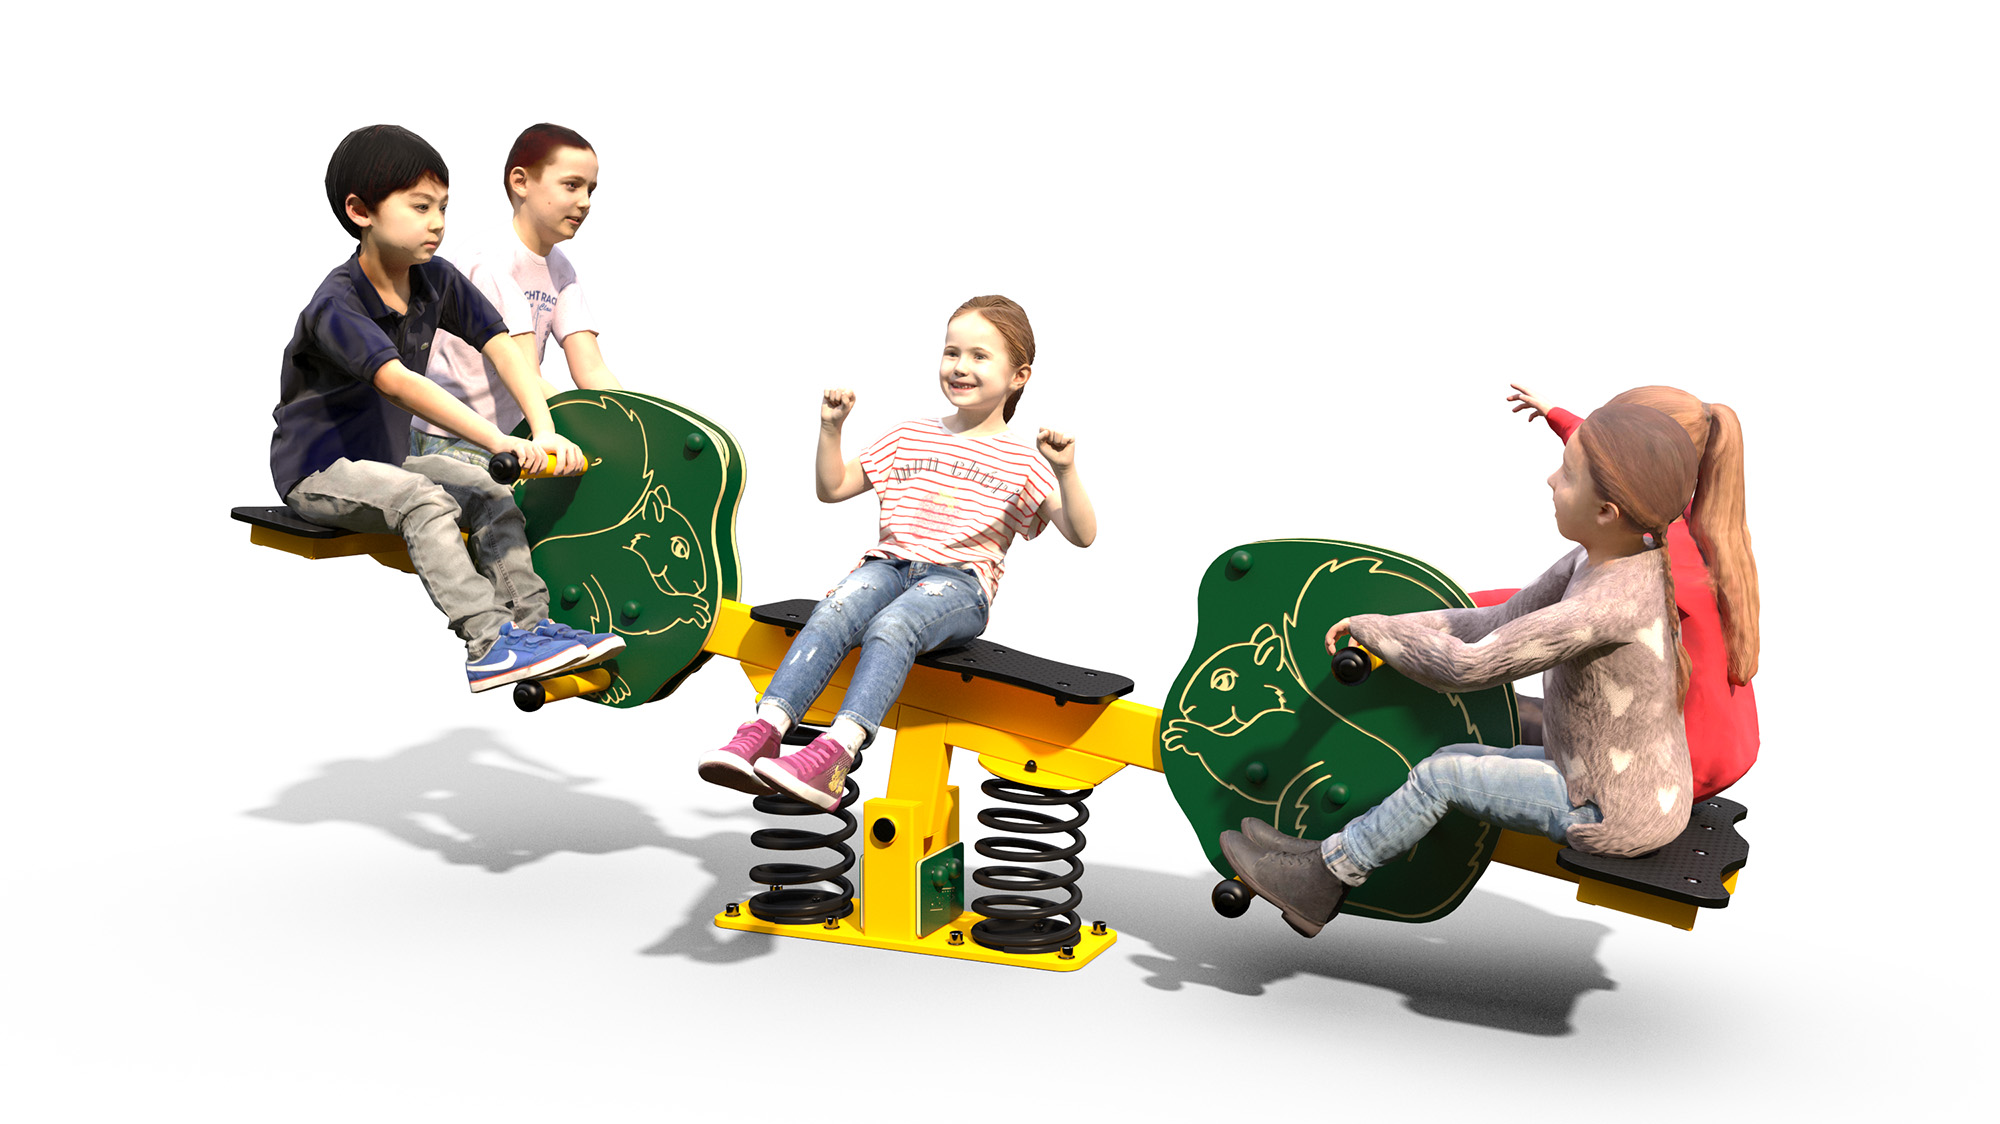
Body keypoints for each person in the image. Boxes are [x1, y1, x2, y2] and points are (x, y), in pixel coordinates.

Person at [1221, 404, 1700, 937]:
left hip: (1607, 809)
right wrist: (1391, 625)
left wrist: (1378, 633)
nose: (1550, 480)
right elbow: (1496, 621)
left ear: (1608, 511)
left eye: (1567, 475)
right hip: (1606, 776)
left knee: (1438, 777)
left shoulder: (1608, 605)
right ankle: (1325, 851)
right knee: (1449, 755)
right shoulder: (1607, 559)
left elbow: (1472, 666)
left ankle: (1323, 879)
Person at [696, 296, 1098, 810]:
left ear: (1018, 375)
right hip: (889, 565)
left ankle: (836, 754)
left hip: (959, 584)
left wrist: (1065, 469)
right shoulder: (910, 435)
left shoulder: (1024, 460)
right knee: (839, 604)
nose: (960, 366)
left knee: (893, 626)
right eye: (952, 352)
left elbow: (1081, 533)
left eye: (979, 356)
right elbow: (834, 487)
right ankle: (763, 729)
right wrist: (830, 428)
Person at [269, 124, 618, 693]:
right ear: (361, 211)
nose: (437, 222)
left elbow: (503, 347)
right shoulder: (337, 304)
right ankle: (488, 641)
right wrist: (499, 440)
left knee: (489, 492)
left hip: (386, 459)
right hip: (320, 470)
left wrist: (546, 428)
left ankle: (533, 628)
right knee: (423, 500)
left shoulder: (434, 280)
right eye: (420, 206)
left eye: (444, 207)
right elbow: (402, 385)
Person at [1492, 383, 1760, 799]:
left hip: (1673, 770)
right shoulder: (1696, 520)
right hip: (1724, 751)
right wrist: (1555, 414)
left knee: (1483, 730)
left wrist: (1452, 599)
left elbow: (1557, 611)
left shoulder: (1658, 562)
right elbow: (1614, 459)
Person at [413, 124, 624, 466]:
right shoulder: (489, 261)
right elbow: (525, 372)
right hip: (450, 437)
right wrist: (585, 429)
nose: (584, 202)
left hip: (512, 434)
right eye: (572, 185)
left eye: (591, 190)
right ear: (521, 182)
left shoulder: (561, 269)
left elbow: (592, 369)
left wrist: (634, 423)